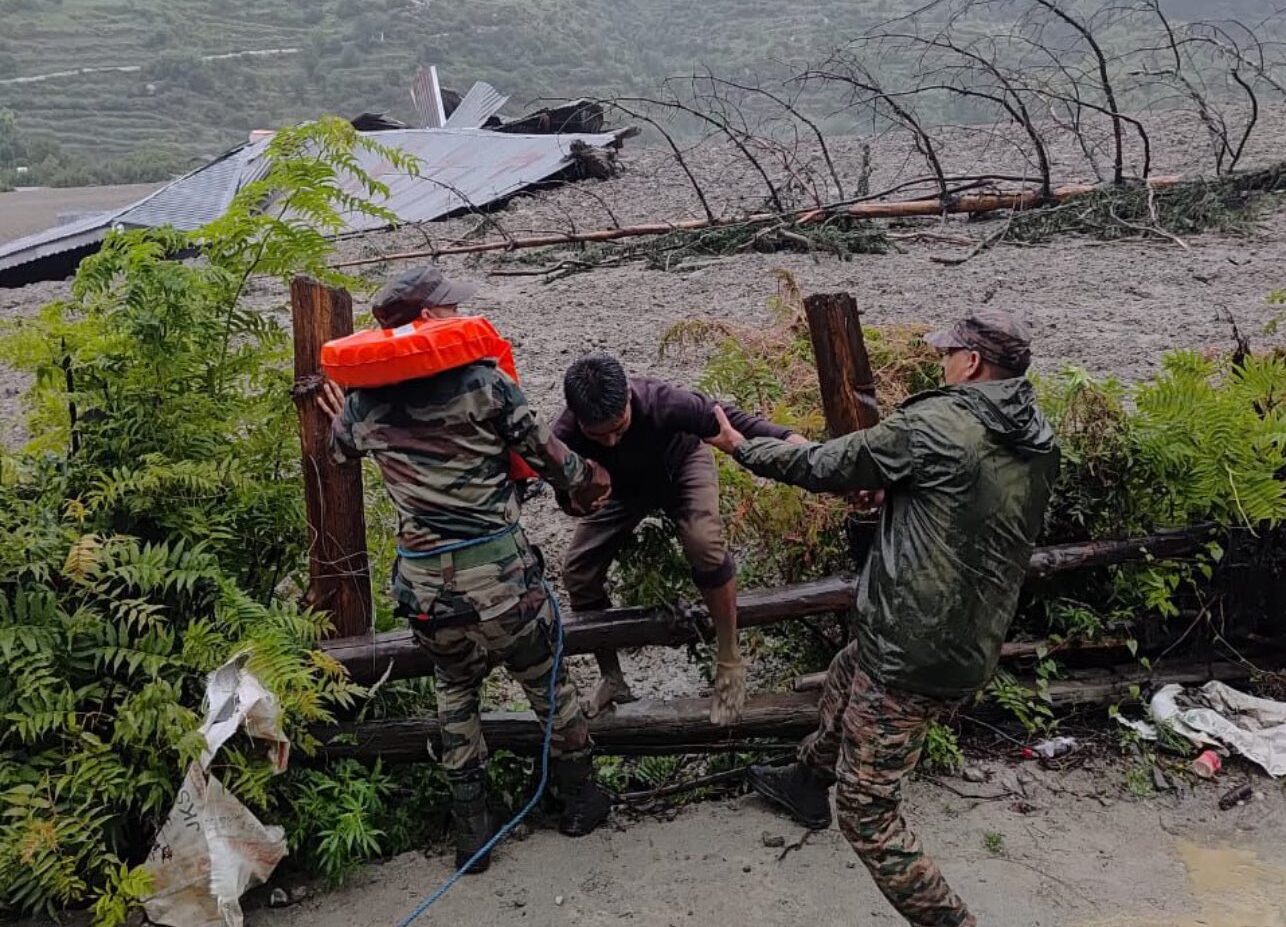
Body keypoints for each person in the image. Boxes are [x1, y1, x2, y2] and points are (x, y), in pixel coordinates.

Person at [705, 310, 1060, 927]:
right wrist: (899, 489)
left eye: (948, 353)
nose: (941, 362)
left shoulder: (937, 424)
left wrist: (741, 447)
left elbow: (823, 465)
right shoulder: (1035, 435)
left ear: (972, 362)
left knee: (868, 815)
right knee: (848, 673)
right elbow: (967, 503)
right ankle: (807, 782)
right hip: (970, 635)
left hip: (914, 648)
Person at [317, 266, 614, 875]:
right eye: (451, 308)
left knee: (455, 692)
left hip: (426, 593)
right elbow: (551, 462)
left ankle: (472, 835)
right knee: (547, 683)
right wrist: (596, 481)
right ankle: (581, 800)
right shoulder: (486, 384)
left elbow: (340, 452)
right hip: (502, 584)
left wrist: (337, 413)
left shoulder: (363, 402)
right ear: (426, 319)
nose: (461, 316)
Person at [553, 353, 807, 723]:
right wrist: (582, 499)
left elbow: (736, 423)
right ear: (578, 418)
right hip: (619, 492)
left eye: (618, 428)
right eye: (598, 435)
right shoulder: (563, 436)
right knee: (578, 571)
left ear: (628, 398)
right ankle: (611, 677)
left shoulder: (663, 402)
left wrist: (799, 447)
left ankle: (730, 659)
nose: (609, 441)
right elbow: (566, 500)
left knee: (703, 540)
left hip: (681, 467)